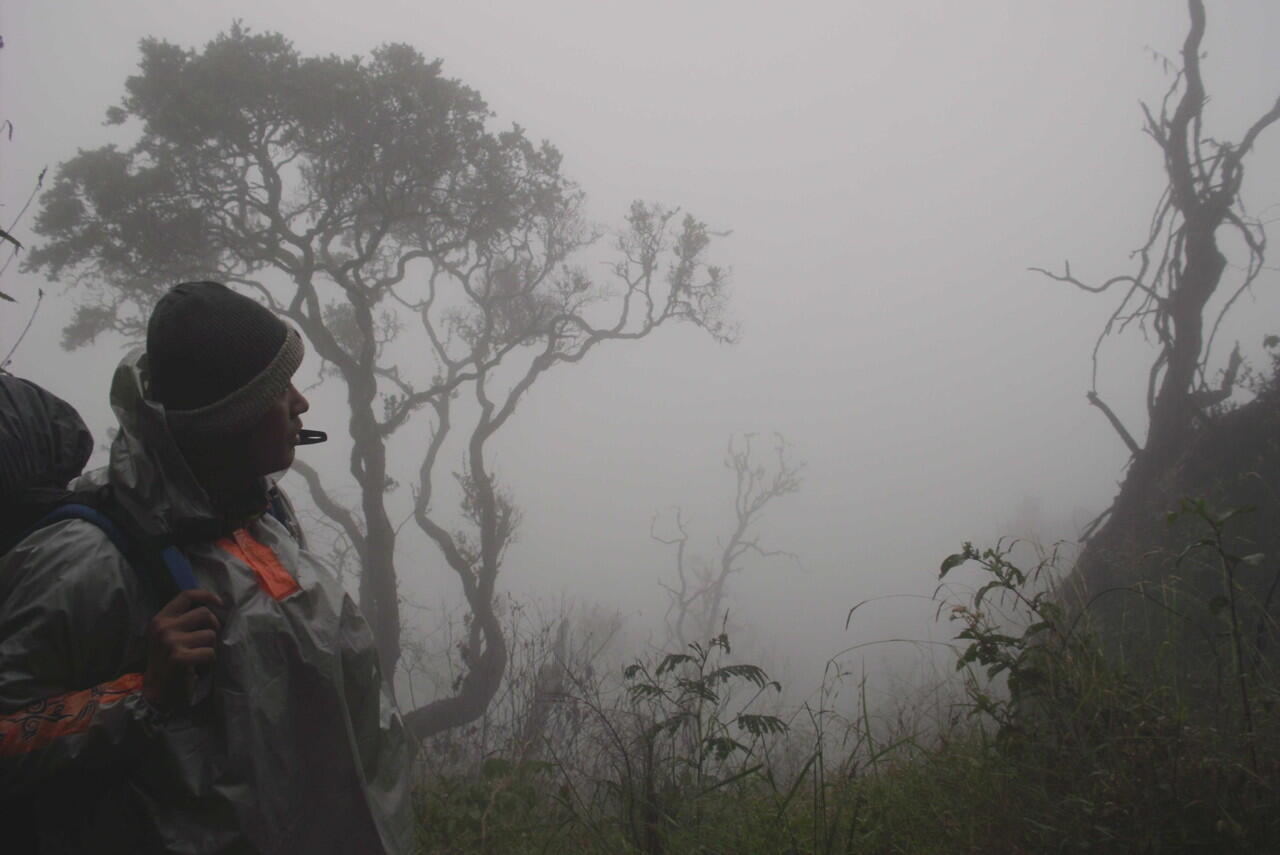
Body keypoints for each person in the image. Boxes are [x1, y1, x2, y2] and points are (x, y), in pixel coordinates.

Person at [0, 281, 415, 854]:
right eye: (278, 388)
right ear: (230, 420)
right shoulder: (86, 563)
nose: (301, 402)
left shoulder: (261, 514)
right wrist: (139, 694)